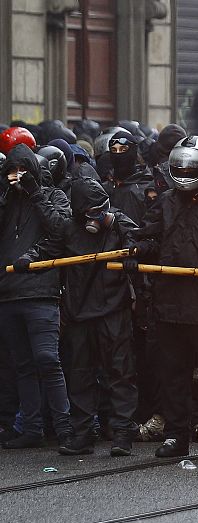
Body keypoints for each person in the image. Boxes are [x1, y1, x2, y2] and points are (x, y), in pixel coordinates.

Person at [130, 135, 198, 460]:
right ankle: (176, 435)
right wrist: (137, 252)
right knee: (172, 376)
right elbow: (150, 235)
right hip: (169, 303)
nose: (185, 173)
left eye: (192, 168)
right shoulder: (164, 202)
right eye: (181, 167)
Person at [17, 178, 139, 456]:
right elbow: (47, 250)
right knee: (80, 375)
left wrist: (135, 252)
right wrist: (29, 259)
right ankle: (82, 433)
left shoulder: (119, 222)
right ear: (83, 213)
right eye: (95, 210)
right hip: (80, 313)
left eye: (104, 208)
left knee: (120, 372)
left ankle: (122, 433)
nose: (102, 214)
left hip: (113, 310)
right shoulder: (70, 229)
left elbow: (139, 239)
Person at [0, 143, 72, 449]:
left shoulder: (52, 195)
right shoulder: (7, 201)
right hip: (7, 293)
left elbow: (61, 230)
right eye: (12, 171)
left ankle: (65, 428)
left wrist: (35, 192)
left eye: (23, 170)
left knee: (47, 360)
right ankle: (32, 428)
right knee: (22, 365)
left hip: (41, 292)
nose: (18, 177)